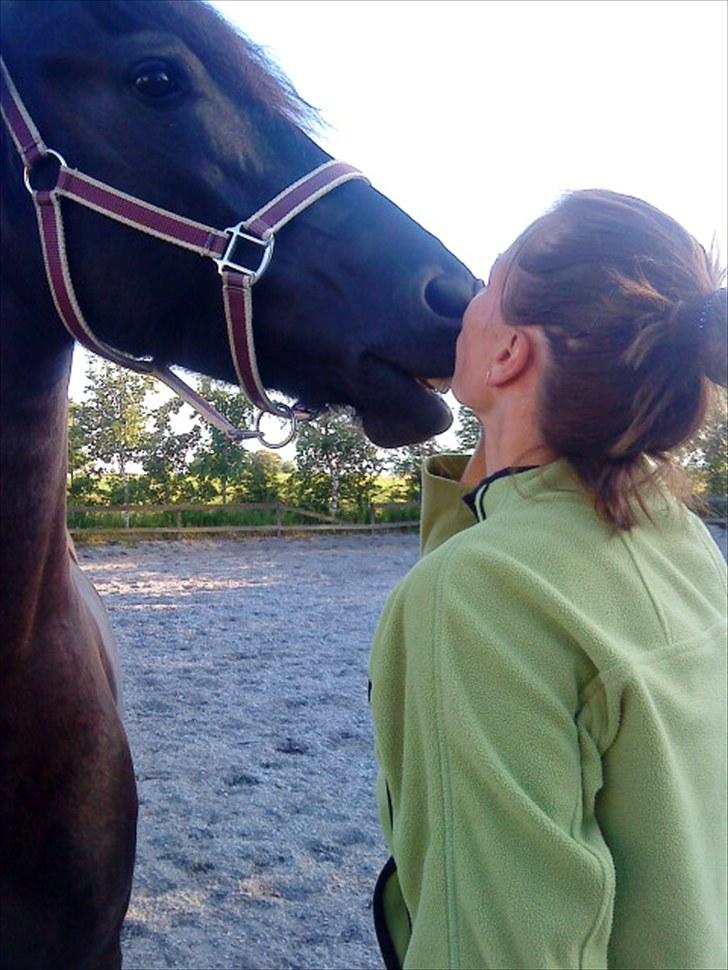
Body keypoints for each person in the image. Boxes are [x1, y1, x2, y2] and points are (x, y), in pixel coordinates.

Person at [368, 189, 727, 970]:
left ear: (509, 355)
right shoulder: (680, 541)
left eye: (489, 282)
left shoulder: (481, 593)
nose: (464, 303)